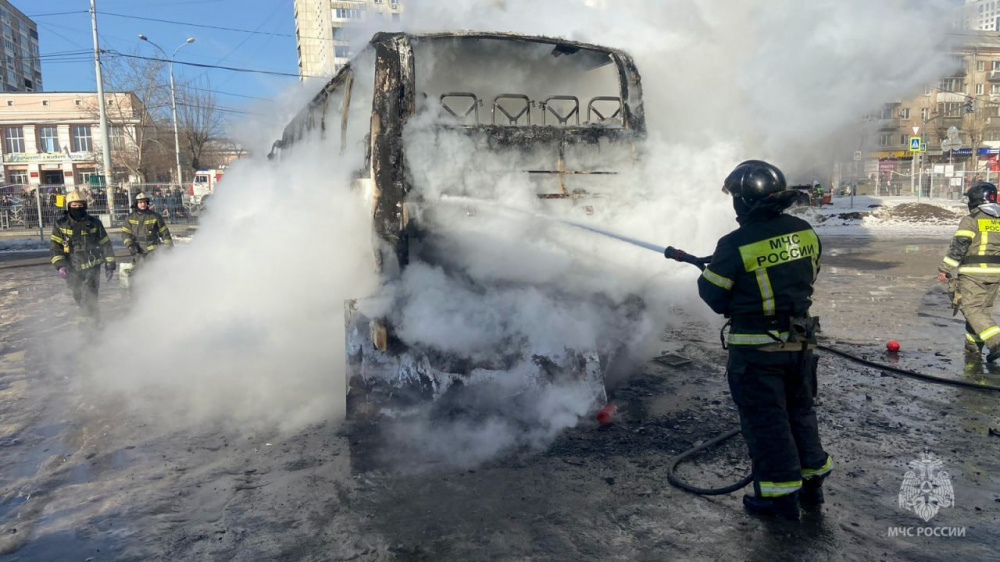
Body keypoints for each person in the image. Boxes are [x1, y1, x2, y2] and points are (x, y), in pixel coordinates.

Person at [693, 160, 833, 521]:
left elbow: (715, 298)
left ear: (744, 202)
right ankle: (812, 484)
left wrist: (721, 271)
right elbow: (805, 273)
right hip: (801, 343)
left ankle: (779, 498)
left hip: (758, 351)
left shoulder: (734, 244)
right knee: (800, 411)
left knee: (767, 421)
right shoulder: (804, 231)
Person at [937, 182, 1000, 364]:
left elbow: (959, 247)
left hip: (973, 274)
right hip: (996, 274)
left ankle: (996, 341)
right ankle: (972, 351)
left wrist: (945, 269)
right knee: (981, 312)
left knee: (971, 309)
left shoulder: (971, 219)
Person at [49, 190, 116, 323]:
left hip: (92, 266)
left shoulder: (94, 223)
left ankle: (90, 329)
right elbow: (55, 248)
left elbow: (105, 244)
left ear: (85, 206)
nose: (77, 208)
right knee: (79, 297)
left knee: (89, 298)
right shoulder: (60, 224)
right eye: (74, 206)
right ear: (68, 206)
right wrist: (60, 266)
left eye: (80, 205)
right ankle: (91, 323)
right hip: (72, 268)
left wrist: (110, 265)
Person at [122, 192, 174, 265]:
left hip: (153, 249)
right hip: (138, 249)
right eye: (140, 202)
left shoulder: (155, 216)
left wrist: (169, 246)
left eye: (144, 202)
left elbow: (164, 232)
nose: (143, 204)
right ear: (136, 203)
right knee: (139, 271)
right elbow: (125, 233)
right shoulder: (130, 218)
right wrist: (130, 245)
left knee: (153, 270)